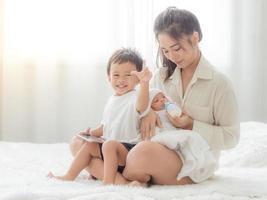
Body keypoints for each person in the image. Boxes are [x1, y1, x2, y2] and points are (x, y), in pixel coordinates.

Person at [120, 7, 240, 185]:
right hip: (158, 149)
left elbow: (231, 137)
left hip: (193, 163)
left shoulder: (220, 84)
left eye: (176, 48)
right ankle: (131, 172)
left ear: (195, 37)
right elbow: (142, 107)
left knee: (141, 153)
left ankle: (122, 175)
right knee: (90, 146)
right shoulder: (162, 76)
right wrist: (149, 113)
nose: (172, 56)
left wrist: (191, 125)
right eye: (165, 51)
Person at [48, 48, 152, 185]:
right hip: (110, 152)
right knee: (90, 145)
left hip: (128, 150)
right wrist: (91, 133)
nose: (121, 80)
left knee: (109, 145)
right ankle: (69, 176)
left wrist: (145, 83)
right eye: (116, 75)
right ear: (109, 77)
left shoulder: (135, 97)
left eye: (128, 75)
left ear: (138, 78)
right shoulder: (112, 101)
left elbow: (142, 106)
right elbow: (105, 127)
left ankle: (108, 182)